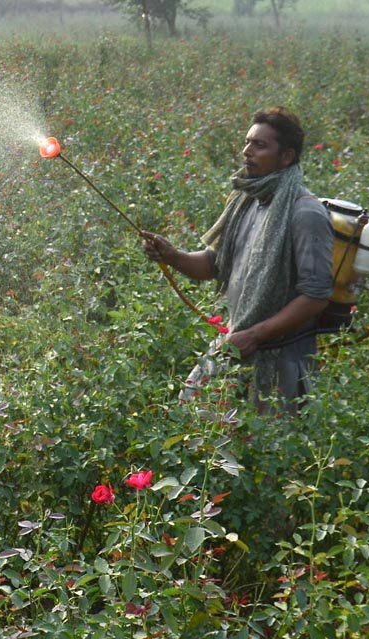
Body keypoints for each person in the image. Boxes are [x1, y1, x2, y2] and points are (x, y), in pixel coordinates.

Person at [141, 107, 334, 411]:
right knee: (194, 417)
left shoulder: (305, 214)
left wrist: (254, 336)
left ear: (286, 157)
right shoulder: (247, 201)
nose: (246, 152)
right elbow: (214, 264)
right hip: (238, 346)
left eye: (259, 145)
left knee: (271, 447)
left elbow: (316, 296)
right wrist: (173, 256)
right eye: (247, 142)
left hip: (283, 360)